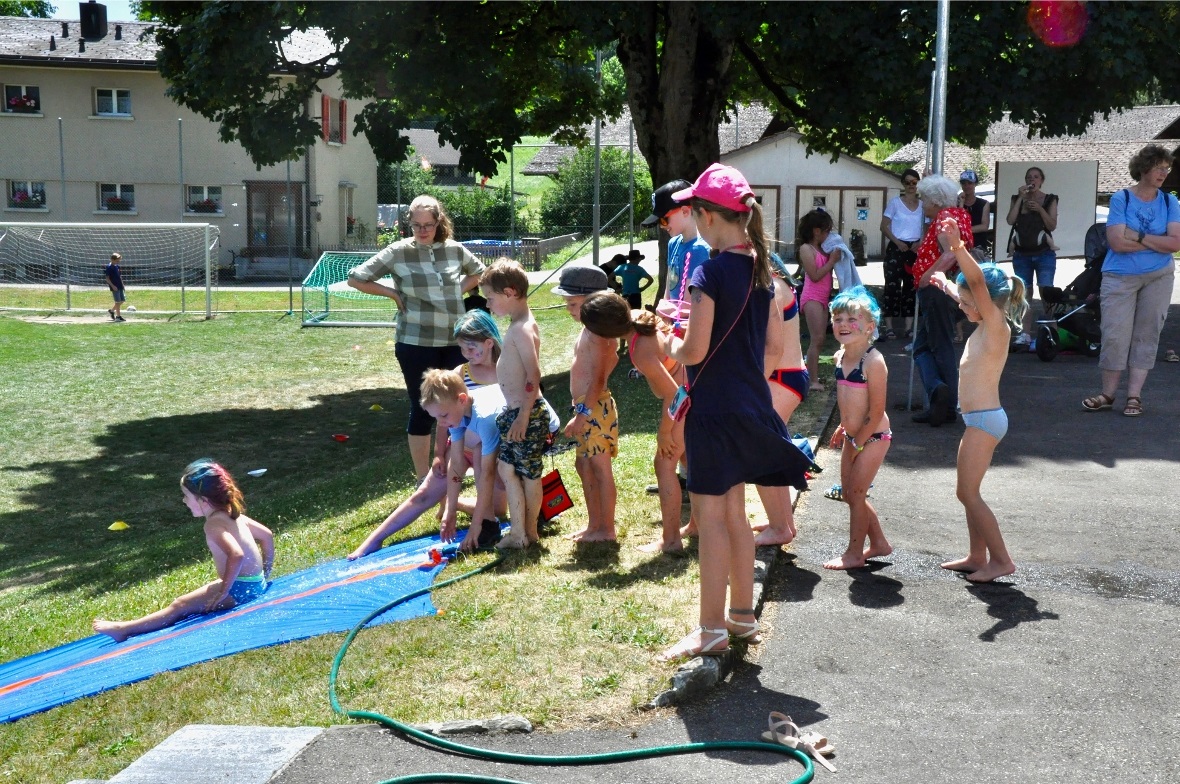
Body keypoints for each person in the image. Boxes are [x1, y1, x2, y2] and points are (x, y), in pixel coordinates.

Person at [655, 163, 812, 660]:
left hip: (714, 411)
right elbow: (770, 349)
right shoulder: (762, 271)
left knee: (711, 517)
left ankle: (710, 629)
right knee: (737, 515)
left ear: (704, 215)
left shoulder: (709, 270)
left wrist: (665, 338)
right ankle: (741, 618)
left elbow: (694, 350)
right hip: (751, 405)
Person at [347, 195, 486, 481]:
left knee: (463, 402)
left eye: (429, 225)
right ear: (408, 223)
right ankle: (424, 480)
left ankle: (461, 468)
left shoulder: (455, 250)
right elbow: (356, 278)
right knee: (423, 407)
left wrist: (458, 289)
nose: (423, 231)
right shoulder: (398, 251)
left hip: (454, 341)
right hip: (415, 341)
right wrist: (392, 293)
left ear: (439, 223)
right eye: (416, 225)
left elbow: (481, 273)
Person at [931, 216, 1028, 583]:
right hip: (978, 419)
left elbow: (974, 284)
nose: (962, 307)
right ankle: (977, 555)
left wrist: (957, 249)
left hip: (986, 420)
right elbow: (968, 293)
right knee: (968, 492)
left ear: (987, 302)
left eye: (968, 302)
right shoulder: (984, 320)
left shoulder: (995, 325)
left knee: (967, 493)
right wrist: (944, 285)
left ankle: (1001, 559)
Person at [93, 460, 274, 642]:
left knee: (179, 605)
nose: (184, 501)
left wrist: (223, 592)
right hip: (255, 585)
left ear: (203, 500)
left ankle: (123, 629)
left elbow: (237, 555)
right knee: (198, 594)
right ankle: (124, 627)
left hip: (240, 591)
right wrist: (264, 573)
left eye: (186, 496)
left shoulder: (213, 524)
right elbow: (267, 536)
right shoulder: (233, 515)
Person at [349, 369, 507, 557]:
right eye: (436, 418)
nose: (440, 422)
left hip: (491, 451)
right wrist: (450, 511)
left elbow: (488, 473)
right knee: (423, 494)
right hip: (468, 449)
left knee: (495, 497)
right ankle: (374, 540)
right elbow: (455, 465)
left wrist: (475, 526)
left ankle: (488, 523)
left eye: (443, 416)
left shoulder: (482, 412)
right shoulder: (453, 416)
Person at [580, 291, 687, 553]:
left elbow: (674, 394)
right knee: (688, 460)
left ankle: (671, 541)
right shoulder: (638, 317)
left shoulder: (639, 349)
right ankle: (693, 525)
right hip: (693, 392)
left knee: (664, 464)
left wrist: (664, 432)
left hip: (686, 399)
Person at [1082, 144, 1180, 417]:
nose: (1163, 172)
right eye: (1158, 166)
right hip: (1120, 276)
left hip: (1158, 276)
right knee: (1115, 334)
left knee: (1147, 334)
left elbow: (1175, 243)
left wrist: (1137, 236)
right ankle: (1108, 394)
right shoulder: (1121, 199)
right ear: (1144, 168)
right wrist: (1155, 243)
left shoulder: (1170, 202)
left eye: (1166, 167)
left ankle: (1134, 396)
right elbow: (1115, 242)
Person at [481, 259, 560, 549]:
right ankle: (521, 531)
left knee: (527, 473)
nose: (489, 305)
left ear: (510, 292)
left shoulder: (522, 329)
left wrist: (523, 416)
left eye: (491, 298)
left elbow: (533, 374)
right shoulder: (517, 324)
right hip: (516, 412)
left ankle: (524, 533)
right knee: (508, 469)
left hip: (525, 413)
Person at [823, 288, 893, 571]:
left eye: (852, 318)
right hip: (854, 437)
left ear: (869, 327)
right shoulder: (841, 357)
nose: (843, 324)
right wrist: (844, 426)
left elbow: (875, 411)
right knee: (851, 494)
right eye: (837, 318)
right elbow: (849, 402)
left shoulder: (873, 362)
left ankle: (853, 553)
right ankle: (879, 543)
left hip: (873, 436)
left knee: (856, 492)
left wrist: (858, 442)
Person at [553, 265, 619, 543]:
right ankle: (595, 525)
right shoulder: (590, 329)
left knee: (599, 468)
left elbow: (599, 378)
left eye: (573, 303)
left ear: (592, 301)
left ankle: (606, 529)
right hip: (587, 407)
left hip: (594, 409)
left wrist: (582, 413)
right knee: (584, 466)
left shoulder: (598, 332)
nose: (569, 309)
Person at [754, 255, 808, 547]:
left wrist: (753, 384)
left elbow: (771, 349)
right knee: (770, 450)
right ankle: (782, 521)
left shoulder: (772, 287)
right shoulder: (775, 284)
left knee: (760, 451)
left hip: (782, 377)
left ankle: (780, 527)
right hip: (783, 376)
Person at [911, 174, 974, 427]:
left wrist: (926, 277)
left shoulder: (944, 220)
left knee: (938, 346)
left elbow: (950, 254)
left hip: (937, 291)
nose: (922, 204)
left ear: (935, 201)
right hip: (946, 290)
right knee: (927, 346)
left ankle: (944, 399)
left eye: (925, 199)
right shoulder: (958, 216)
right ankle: (940, 396)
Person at [1005, 166, 1059, 347]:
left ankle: (1051, 332)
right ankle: (1025, 333)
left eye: (1035, 177)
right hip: (1022, 254)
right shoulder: (1017, 198)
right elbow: (1010, 221)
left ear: (1041, 180)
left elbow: (1052, 226)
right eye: (1029, 177)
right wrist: (1021, 197)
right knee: (1024, 293)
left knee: (1046, 292)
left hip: (1044, 253)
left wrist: (1040, 210)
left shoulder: (1050, 199)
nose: (1032, 180)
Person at [642, 179, 710, 304]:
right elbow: (668, 290)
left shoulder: (698, 249)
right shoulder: (673, 243)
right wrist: (664, 307)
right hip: (672, 317)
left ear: (685, 211)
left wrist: (663, 310)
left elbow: (689, 304)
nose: (662, 226)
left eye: (664, 220)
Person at [879, 169, 923, 340]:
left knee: (911, 287)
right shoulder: (895, 203)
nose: (911, 186)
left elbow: (927, 226)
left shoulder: (922, 205)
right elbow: (884, 226)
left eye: (914, 182)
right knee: (892, 287)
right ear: (903, 184)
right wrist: (897, 242)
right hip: (897, 247)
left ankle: (908, 327)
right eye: (908, 182)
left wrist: (920, 243)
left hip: (914, 249)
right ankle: (889, 327)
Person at [797, 209, 835, 391]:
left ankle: (813, 375)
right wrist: (832, 261)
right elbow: (814, 275)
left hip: (823, 298)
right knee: (816, 338)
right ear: (816, 231)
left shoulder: (824, 249)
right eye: (827, 230)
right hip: (812, 297)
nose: (829, 234)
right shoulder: (806, 249)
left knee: (820, 340)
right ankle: (812, 381)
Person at [958, 170, 992, 259]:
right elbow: (959, 223)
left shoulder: (984, 204)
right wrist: (961, 204)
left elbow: (984, 226)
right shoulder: (956, 204)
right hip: (961, 247)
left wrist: (965, 230)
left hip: (979, 247)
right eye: (964, 183)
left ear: (975, 184)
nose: (966, 186)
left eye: (970, 183)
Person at [104, 252, 127, 322]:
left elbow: (119, 276)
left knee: (122, 300)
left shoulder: (117, 266)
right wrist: (113, 286)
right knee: (117, 302)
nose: (118, 262)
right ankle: (118, 317)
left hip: (119, 286)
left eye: (119, 260)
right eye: (117, 260)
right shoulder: (109, 267)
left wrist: (122, 284)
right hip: (115, 287)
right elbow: (107, 279)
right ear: (112, 259)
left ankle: (112, 311)